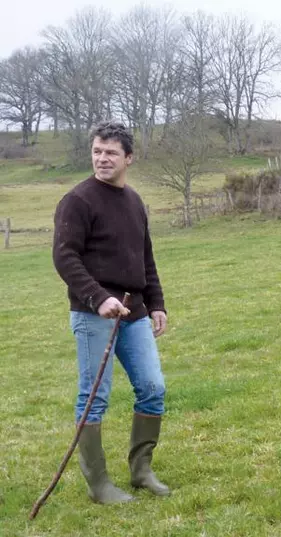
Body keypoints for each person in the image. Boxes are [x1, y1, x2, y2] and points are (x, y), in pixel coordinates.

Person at [52, 120, 170, 504]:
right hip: (93, 314)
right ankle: (99, 484)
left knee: (153, 388)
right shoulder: (78, 200)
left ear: (129, 158)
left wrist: (156, 304)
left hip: (133, 313)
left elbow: (145, 258)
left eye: (111, 153)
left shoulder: (134, 201)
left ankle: (141, 471)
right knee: (94, 397)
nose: (102, 159)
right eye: (97, 152)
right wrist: (97, 298)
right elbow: (65, 257)